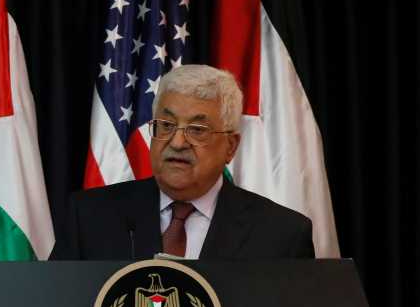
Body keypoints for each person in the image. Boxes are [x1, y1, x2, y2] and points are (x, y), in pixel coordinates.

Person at [51, 64, 314, 260]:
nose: (177, 142)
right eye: (165, 125)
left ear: (230, 147)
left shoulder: (282, 235)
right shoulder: (89, 218)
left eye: (198, 129)